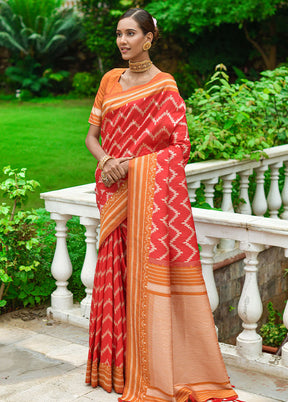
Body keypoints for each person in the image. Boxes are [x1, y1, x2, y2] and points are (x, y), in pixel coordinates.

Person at [85, 8, 239, 402]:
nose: (122, 41)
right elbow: (92, 137)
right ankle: (115, 371)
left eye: (130, 34)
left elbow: (179, 147)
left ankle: (152, 368)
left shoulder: (165, 86)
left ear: (149, 39)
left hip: (146, 198)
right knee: (114, 276)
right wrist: (106, 161)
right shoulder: (109, 80)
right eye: (119, 34)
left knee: (142, 278)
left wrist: (132, 167)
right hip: (113, 192)